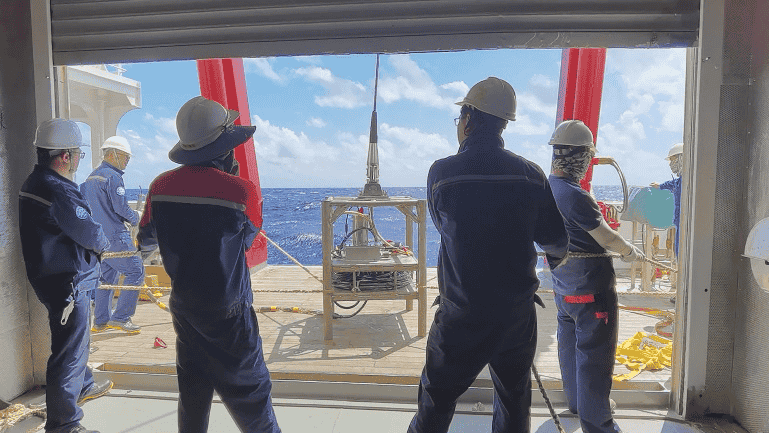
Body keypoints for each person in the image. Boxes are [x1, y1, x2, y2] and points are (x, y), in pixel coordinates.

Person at [409, 77, 569, 433]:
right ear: (503, 124)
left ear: (468, 120)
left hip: (461, 315)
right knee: (514, 401)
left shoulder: (442, 173)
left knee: (436, 400)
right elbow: (557, 242)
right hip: (515, 316)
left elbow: (444, 226)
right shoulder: (531, 174)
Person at [137, 96, 280, 433]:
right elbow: (246, 240)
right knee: (252, 396)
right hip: (229, 314)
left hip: (185, 309)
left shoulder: (159, 187)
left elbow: (145, 241)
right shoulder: (243, 192)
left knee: (193, 395)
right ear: (223, 149)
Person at [547, 119, 645, 433]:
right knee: (594, 356)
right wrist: (630, 252)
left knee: (568, 346)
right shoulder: (576, 196)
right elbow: (605, 237)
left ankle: (578, 403)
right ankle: (598, 423)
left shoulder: (548, 188)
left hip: (564, 288)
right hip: (591, 290)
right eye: (589, 156)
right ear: (582, 157)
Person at [19, 119, 114, 433]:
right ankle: (64, 424)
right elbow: (89, 232)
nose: (77, 160)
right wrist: (105, 245)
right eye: (77, 154)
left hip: (51, 278)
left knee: (75, 341)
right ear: (64, 157)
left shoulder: (35, 182)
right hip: (68, 283)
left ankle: (82, 384)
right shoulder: (58, 189)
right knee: (69, 351)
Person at [81, 136, 143, 334]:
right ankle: (121, 318)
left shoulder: (90, 179)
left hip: (98, 240)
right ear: (112, 154)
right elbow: (121, 208)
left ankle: (100, 322)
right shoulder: (113, 177)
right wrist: (137, 217)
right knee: (136, 271)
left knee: (106, 279)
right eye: (125, 157)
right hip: (116, 237)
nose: (127, 161)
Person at [651, 142, 683, 302]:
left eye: (673, 160)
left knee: (684, 260)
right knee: (680, 259)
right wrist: (660, 186)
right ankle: (682, 293)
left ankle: (683, 295)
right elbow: (673, 184)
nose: (671, 164)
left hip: (687, 227)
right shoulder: (681, 180)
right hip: (680, 225)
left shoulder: (689, 181)